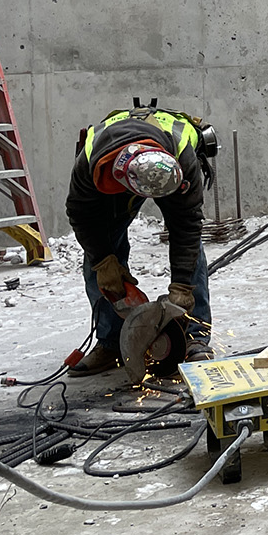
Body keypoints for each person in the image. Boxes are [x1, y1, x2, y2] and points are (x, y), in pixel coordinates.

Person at [66, 105, 213, 377]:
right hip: (114, 172)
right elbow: (81, 215)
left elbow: (187, 226)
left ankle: (195, 336)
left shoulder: (183, 156)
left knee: (192, 255)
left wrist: (182, 285)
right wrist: (103, 261)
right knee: (97, 261)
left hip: (170, 168)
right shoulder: (90, 163)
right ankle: (111, 343)